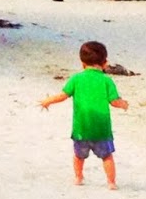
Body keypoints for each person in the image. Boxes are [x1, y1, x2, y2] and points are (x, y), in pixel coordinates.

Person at [40, 39, 129, 188]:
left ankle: (79, 177)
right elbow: (114, 101)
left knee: (78, 156)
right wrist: (124, 104)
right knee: (107, 156)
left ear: (82, 63)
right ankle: (111, 182)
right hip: (102, 129)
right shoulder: (107, 81)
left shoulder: (76, 79)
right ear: (105, 63)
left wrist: (47, 101)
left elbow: (63, 95)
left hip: (81, 128)